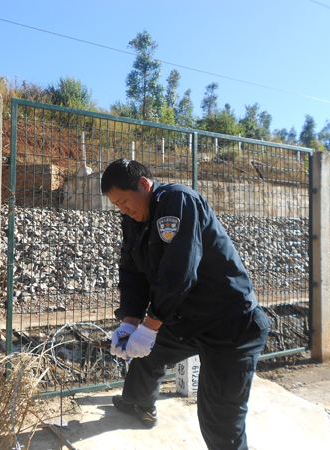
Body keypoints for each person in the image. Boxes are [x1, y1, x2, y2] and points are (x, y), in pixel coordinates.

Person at [101, 158, 271, 450]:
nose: (123, 210)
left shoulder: (177, 201)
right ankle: (139, 404)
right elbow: (131, 271)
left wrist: (151, 325)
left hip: (229, 324)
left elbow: (179, 271)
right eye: (117, 205)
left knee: (220, 424)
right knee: (146, 352)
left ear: (144, 185)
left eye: (125, 201)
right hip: (187, 317)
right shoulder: (133, 219)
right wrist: (130, 321)